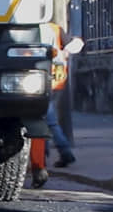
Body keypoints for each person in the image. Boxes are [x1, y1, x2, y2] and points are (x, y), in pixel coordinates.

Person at [31, 21, 83, 188]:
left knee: (47, 120)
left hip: (39, 81)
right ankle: (49, 155)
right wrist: (65, 52)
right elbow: (76, 44)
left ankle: (63, 151)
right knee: (45, 119)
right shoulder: (55, 28)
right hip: (55, 80)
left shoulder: (33, 27)